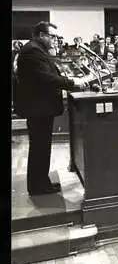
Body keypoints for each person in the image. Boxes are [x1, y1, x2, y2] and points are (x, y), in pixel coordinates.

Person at [14, 21, 86, 196]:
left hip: (40, 107)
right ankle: (37, 186)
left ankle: (41, 182)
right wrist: (73, 83)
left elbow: (51, 74)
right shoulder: (32, 51)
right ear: (41, 35)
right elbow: (46, 78)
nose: (55, 39)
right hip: (38, 108)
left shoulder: (38, 50)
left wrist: (67, 78)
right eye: (52, 36)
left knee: (42, 147)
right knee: (39, 147)